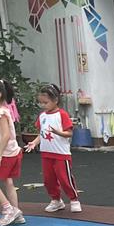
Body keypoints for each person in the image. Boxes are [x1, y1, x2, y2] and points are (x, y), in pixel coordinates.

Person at [23, 83, 79, 213]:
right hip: (46, 153)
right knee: (49, 180)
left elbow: (69, 133)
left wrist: (58, 132)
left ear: (55, 100)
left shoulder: (62, 114)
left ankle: (74, 199)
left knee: (65, 178)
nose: (43, 105)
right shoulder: (42, 116)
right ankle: (56, 200)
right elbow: (41, 133)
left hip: (61, 153)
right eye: (40, 103)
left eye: (46, 102)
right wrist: (34, 143)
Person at [0, 78, 24, 226]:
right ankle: (16, 212)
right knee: (8, 181)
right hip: (10, 152)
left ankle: (8, 208)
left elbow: (6, 135)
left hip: (4, 153)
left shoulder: (1, 112)